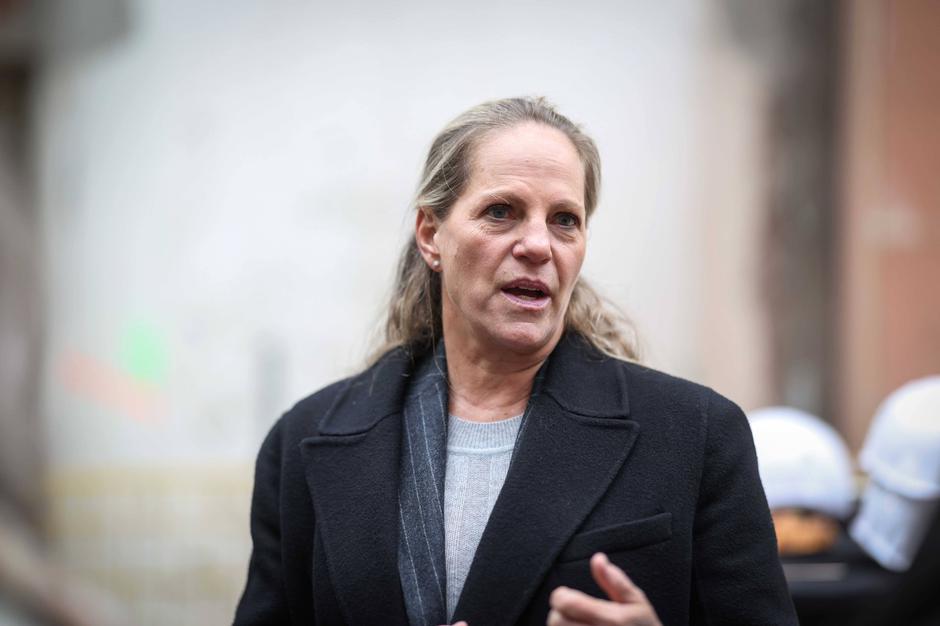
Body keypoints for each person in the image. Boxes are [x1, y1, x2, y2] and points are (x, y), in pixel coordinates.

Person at [234, 97, 797, 626]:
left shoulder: (695, 435)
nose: (538, 244)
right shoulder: (304, 444)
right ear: (432, 235)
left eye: (564, 220)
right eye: (502, 212)